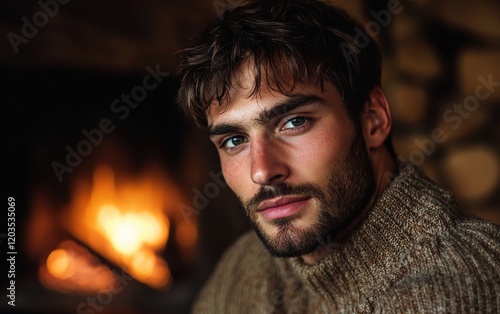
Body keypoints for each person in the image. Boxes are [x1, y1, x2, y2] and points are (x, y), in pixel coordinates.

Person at [176, 0, 500, 312]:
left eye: (294, 122)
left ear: (373, 119)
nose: (261, 171)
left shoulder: (456, 286)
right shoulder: (243, 268)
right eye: (234, 140)